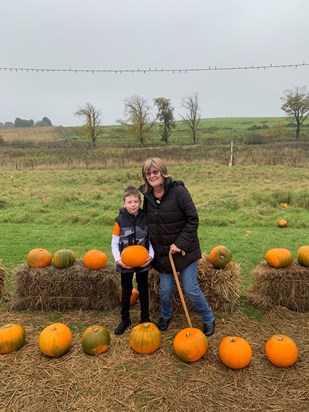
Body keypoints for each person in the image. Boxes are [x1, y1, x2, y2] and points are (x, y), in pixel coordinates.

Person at [139, 157, 215, 336]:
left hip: (184, 250)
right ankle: (165, 315)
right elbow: (148, 222)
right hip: (164, 254)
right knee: (165, 290)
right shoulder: (147, 196)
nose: (152, 175)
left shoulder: (179, 191)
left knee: (190, 288)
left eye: (155, 171)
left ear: (163, 172)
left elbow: (193, 219)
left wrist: (179, 243)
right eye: (148, 173)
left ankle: (208, 317)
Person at [111, 185, 154, 335]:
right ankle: (125, 319)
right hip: (125, 263)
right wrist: (118, 259)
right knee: (127, 290)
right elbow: (115, 243)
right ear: (124, 203)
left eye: (136, 201)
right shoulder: (119, 221)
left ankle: (145, 317)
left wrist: (151, 256)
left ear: (140, 202)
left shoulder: (146, 218)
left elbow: (151, 240)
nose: (133, 204)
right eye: (130, 202)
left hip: (143, 262)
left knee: (143, 290)